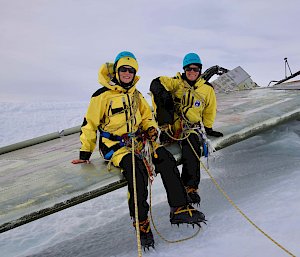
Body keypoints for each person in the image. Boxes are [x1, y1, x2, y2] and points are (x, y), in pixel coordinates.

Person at [72, 51, 206, 250]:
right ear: (117, 71)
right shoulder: (101, 96)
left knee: (166, 159)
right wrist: (85, 153)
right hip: (116, 147)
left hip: (141, 142)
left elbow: (146, 116)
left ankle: (178, 207)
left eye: (131, 70)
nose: (127, 73)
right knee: (136, 171)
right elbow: (89, 124)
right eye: (124, 69)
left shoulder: (136, 95)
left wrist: (151, 128)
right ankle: (141, 222)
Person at [150, 52, 223, 206]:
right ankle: (177, 190)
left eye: (195, 69)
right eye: (188, 69)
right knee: (165, 158)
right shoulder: (176, 83)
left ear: (200, 71)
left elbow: (210, 109)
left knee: (192, 148)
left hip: (191, 128)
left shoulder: (206, 89)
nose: (192, 72)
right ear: (184, 70)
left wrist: (208, 128)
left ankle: (190, 187)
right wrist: (162, 94)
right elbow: (158, 82)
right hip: (173, 128)